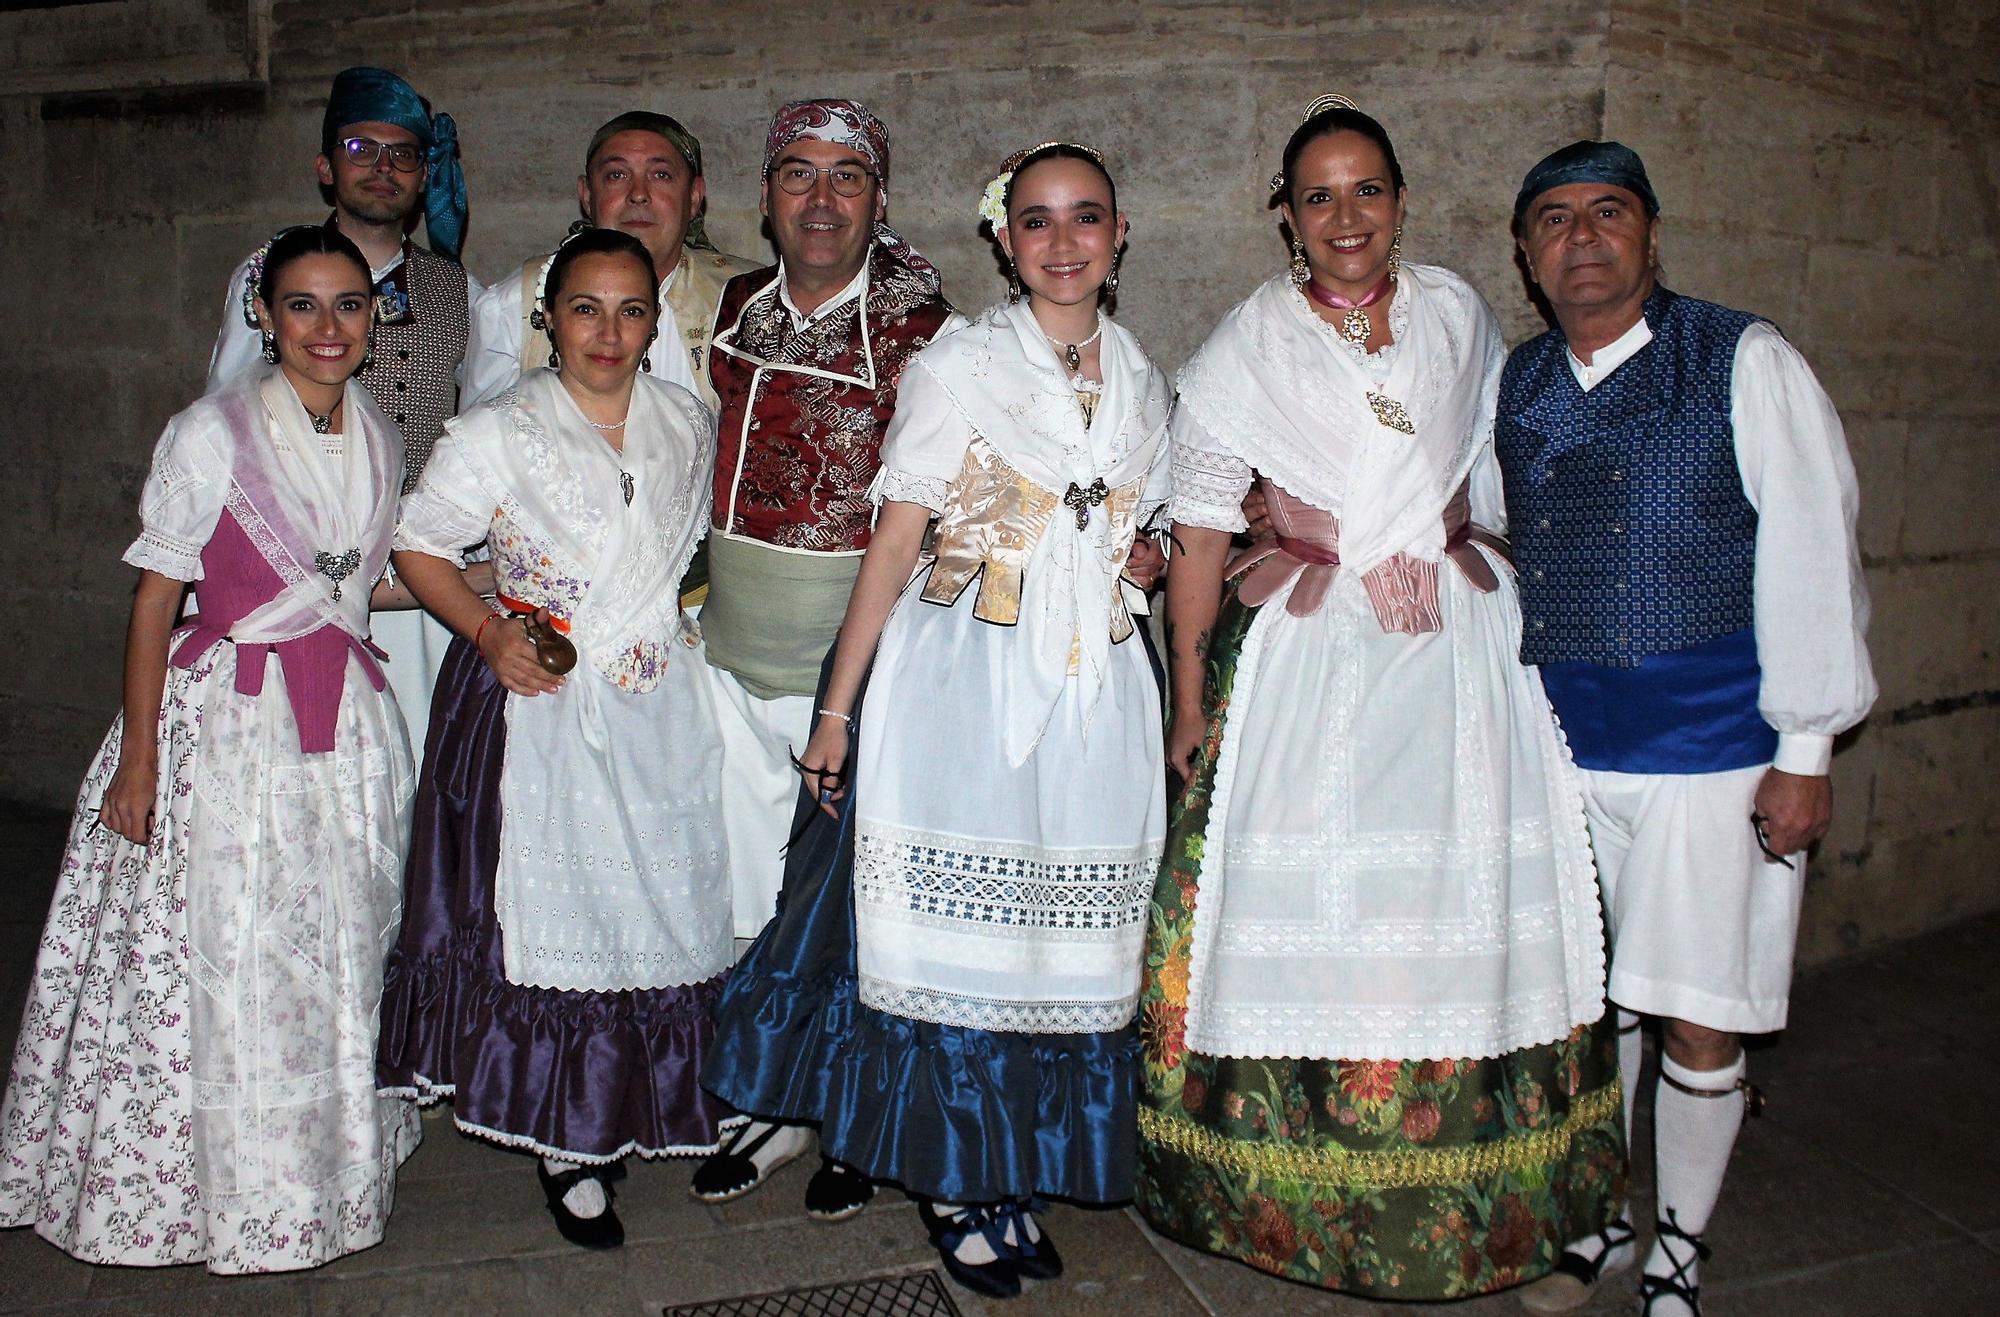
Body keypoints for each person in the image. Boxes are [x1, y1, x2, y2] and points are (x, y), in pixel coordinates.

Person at [1131, 97, 1623, 1299]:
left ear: (1398, 201)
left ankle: (1491, 1194)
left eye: (1364, 190)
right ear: (1286, 220)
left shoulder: (1457, 313)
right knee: (1322, 914)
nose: (1343, 215)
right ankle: (1297, 1204)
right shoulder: (1247, 341)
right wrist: (1187, 698)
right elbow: (1196, 531)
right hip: (1310, 660)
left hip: (1455, 648)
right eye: (1316, 196)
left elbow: (1492, 475)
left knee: (1459, 906)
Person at [703, 141, 1170, 1298]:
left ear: (1118, 239)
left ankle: (1015, 1167)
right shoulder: (958, 364)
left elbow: (1145, 529)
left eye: (1084, 219)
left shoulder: (1144, 377)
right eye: (1036, 222)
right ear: (1001, 241)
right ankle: (956, 1179)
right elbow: (895, 539)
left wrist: (1140, 552)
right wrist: (835, 709)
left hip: (1091, 688)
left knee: (1057, 943)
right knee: (961, 939)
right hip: (963, 674)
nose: (1062, 242)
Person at [1499, 142, 1875, 1317]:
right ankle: (1603, 1214)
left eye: (1607, 213)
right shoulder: (1513, 383)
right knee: (1597, 1003)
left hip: (1709, 753)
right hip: (1559, 752)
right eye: (1553, 220)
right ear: (1525, 253)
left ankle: (1675, 1245)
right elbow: (1469, 528)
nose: (1582, 238)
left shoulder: (1739, 357)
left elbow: (1815, 545)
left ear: (1650, 234)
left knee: (1697, 1010)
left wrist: (1802, 752)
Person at [0, 225, 420, 1272]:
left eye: (350, 305)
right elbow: (156, 601)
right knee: (224, 952)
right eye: (303, 306)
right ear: (264, 316)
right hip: (228, 727)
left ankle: (314, 1176)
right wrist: (140, 761)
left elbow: (349, 582)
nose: (328, 328)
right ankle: (199, 1185)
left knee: (328, 951)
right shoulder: (210, 432)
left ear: (373, 321)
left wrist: (495, 592)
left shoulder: (378, 432)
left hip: (340, 728)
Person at [374, 228, 732, 1250]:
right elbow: (418, 543)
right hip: (539, 704)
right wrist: (491, 633)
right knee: (567, 911)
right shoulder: (500, 427)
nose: (608, 331)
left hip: (659, 700)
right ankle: (570, 1144)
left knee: (664, 903)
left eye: (630, 310)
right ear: (550, 318)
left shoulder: (684, 418)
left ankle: (654, 1099)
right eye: (585, 308)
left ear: (655, 323)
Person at [686, 98, 958, 1218]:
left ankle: (844, 1109)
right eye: (796, 175)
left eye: (846, 178)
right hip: (732, 648)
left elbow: (936, 504)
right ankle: (771, 1093)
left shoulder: (919, 324)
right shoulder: (739, 305)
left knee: (844, 901)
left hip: (851, 660)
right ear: (764, 196)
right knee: (754, 886)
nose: (820, 200)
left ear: (878, 198)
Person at [206, 66, 483, 760]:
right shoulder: (270, 273)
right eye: (362, 150)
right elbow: (224, 413)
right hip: (290, 572)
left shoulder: (461, 291)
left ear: (425, 176)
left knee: (405, 772)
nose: (383, 168)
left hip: (414, 586)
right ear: (326, 167)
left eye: (404, 154)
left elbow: (482, 430)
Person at [461, 109, 760, 414]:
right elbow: (478, 446)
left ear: (694, 196)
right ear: (587, 195)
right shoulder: (514, 304)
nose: (639, 195)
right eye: (617, 175)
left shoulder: (749, 299)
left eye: (661, 175)